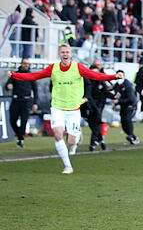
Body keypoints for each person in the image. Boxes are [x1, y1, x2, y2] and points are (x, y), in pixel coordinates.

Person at [9, 44, 116, 173]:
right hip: (57, 107)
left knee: (71, 141)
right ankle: (68, 166)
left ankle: (76, 136)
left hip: (73, 109)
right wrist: (15, 75)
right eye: (62, 52)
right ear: (59, 55)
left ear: (70, 54)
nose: (65, 54)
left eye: (67, 52)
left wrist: (113, 77)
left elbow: (96, 76)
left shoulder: (78, 67)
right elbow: (33, 76)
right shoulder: (53, 68)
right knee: (58, 135)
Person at [5, 58, 38, 148]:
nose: (26, 65)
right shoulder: (15, 74)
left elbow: (35, 90)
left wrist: (35, 103)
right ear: (21, 64)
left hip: (26, 101)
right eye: (24, 63)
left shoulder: (31, 75)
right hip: (16, 100)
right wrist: (9, 86)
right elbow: (7, 85)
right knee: (12, 120)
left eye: (27, 64)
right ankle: (19, 133)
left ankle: (20, 139)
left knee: (24, 120)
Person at [83, 64, 115, 151]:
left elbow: (106, 92)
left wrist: (114, 97)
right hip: (89, 105)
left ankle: (92, 143)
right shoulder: (86, 82)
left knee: (96, 122)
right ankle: (101, 140)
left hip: (99, 105)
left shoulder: (101, 82)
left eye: (96, 73)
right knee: (92, 124)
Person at [112, 70, 139, 145]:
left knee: (127, 119)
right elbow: (117, 95)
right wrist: (115, 104)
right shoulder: (117, 85)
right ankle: (133, 137)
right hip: (123, 106)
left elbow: (131, 99)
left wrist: (118, 102)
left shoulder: (127, 85)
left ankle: (130, 135)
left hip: (130, 105)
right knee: (123, 123)